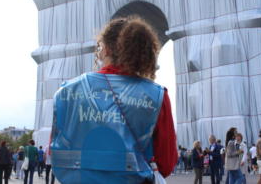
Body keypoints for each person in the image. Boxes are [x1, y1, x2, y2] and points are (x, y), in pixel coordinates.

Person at [50, 17, 177, 183]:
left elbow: (54, 153)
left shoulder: (66, 92)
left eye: (99, 46)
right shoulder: (156, 95)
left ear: (106, 49)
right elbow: (166, 163)